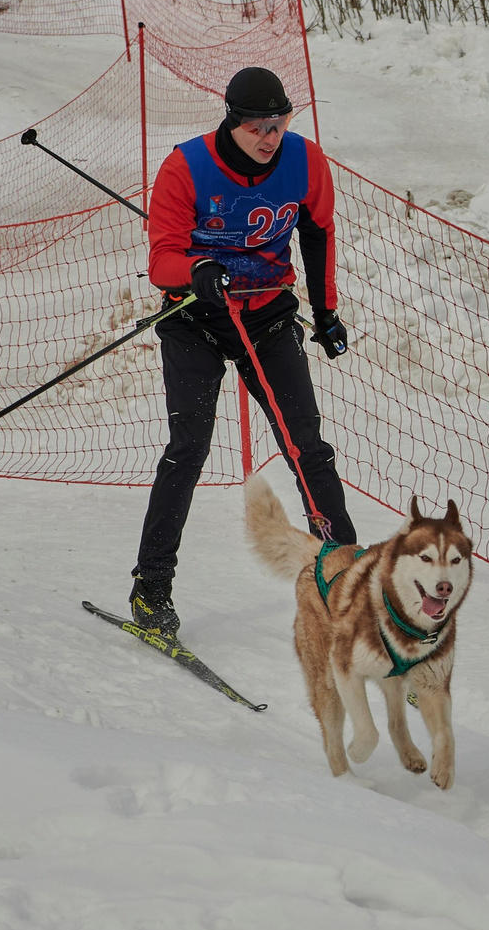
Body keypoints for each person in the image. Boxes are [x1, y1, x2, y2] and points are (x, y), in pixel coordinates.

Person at [129, 65, 356, 632]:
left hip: (267, 315)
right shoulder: (186, 167)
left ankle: (348, 592)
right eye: (257, 126)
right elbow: (162, 260)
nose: (268, 138)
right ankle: (150, 590)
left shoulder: (305, 161)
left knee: (308, 446)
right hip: (195, 320)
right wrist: (197, 269)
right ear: (232, 121)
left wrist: (325, 313)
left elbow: (317, 233)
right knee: (189, 449)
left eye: (277, 125)